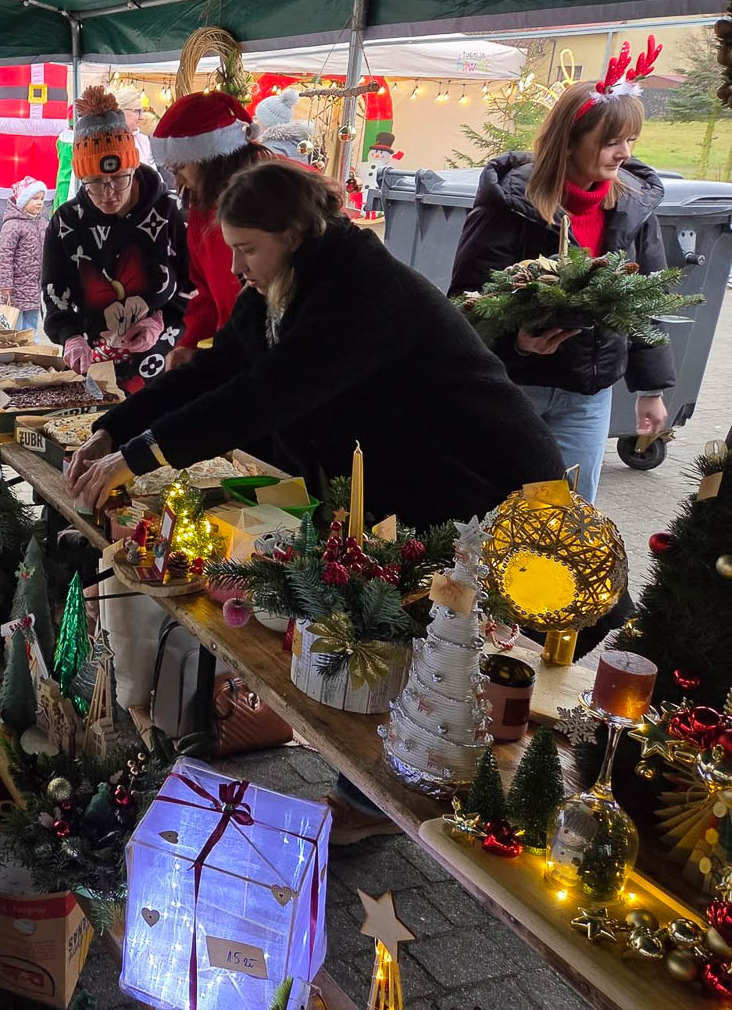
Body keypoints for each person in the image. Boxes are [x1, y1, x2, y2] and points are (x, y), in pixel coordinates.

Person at [66, 161, 565, 844]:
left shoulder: (362, 291)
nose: (235, 267)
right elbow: (218, 368)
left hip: (480, 478)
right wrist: (113, 429)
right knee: (392, 624)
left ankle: (406, 793)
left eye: (247, 249)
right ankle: (382, 785)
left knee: (435, 632)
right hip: (407, 480)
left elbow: (263, 395)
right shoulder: (283, 283)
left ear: (294, 234)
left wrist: (139, 457)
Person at [448, 64, 673, 506]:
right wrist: (516, 342)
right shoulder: (511, 203)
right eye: (611, 142)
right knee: (499, 509)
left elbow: (647, 299)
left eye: (631, 141)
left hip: (588, 396)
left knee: (569, 515)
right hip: (515, 388)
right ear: (569, 140)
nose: (624, 153)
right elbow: (469, 299)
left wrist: (651, 390)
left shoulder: (633, 205)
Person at [41, 87, 189, 395]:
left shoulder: (172, 212)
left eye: (119, 179)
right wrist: (70, 337)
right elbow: (53, 290)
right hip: (95, 366)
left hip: (162, 366)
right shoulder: (66, 221)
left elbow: (196, 286)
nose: (108, 193)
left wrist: (161, 320)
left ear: (133, 166)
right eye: (95, 183)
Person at [151, 92, 273, 370]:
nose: (177, 180)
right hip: (233, 351)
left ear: (212, 157)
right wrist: (189, 343)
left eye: (181, 167)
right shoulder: (202, 206)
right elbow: (205, 290)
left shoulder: (268, 199)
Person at [0, 176, 49, 340]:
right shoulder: (12, 225)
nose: (39, 203)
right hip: (16, 285)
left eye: (41, 199)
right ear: (23, 200)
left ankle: (31, 343)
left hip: (35, 284)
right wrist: (5, 284)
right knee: (16, 321)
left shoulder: (43, 223)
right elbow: (5, 257)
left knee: (32, 317)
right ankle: (17, 344)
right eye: (35, 198)